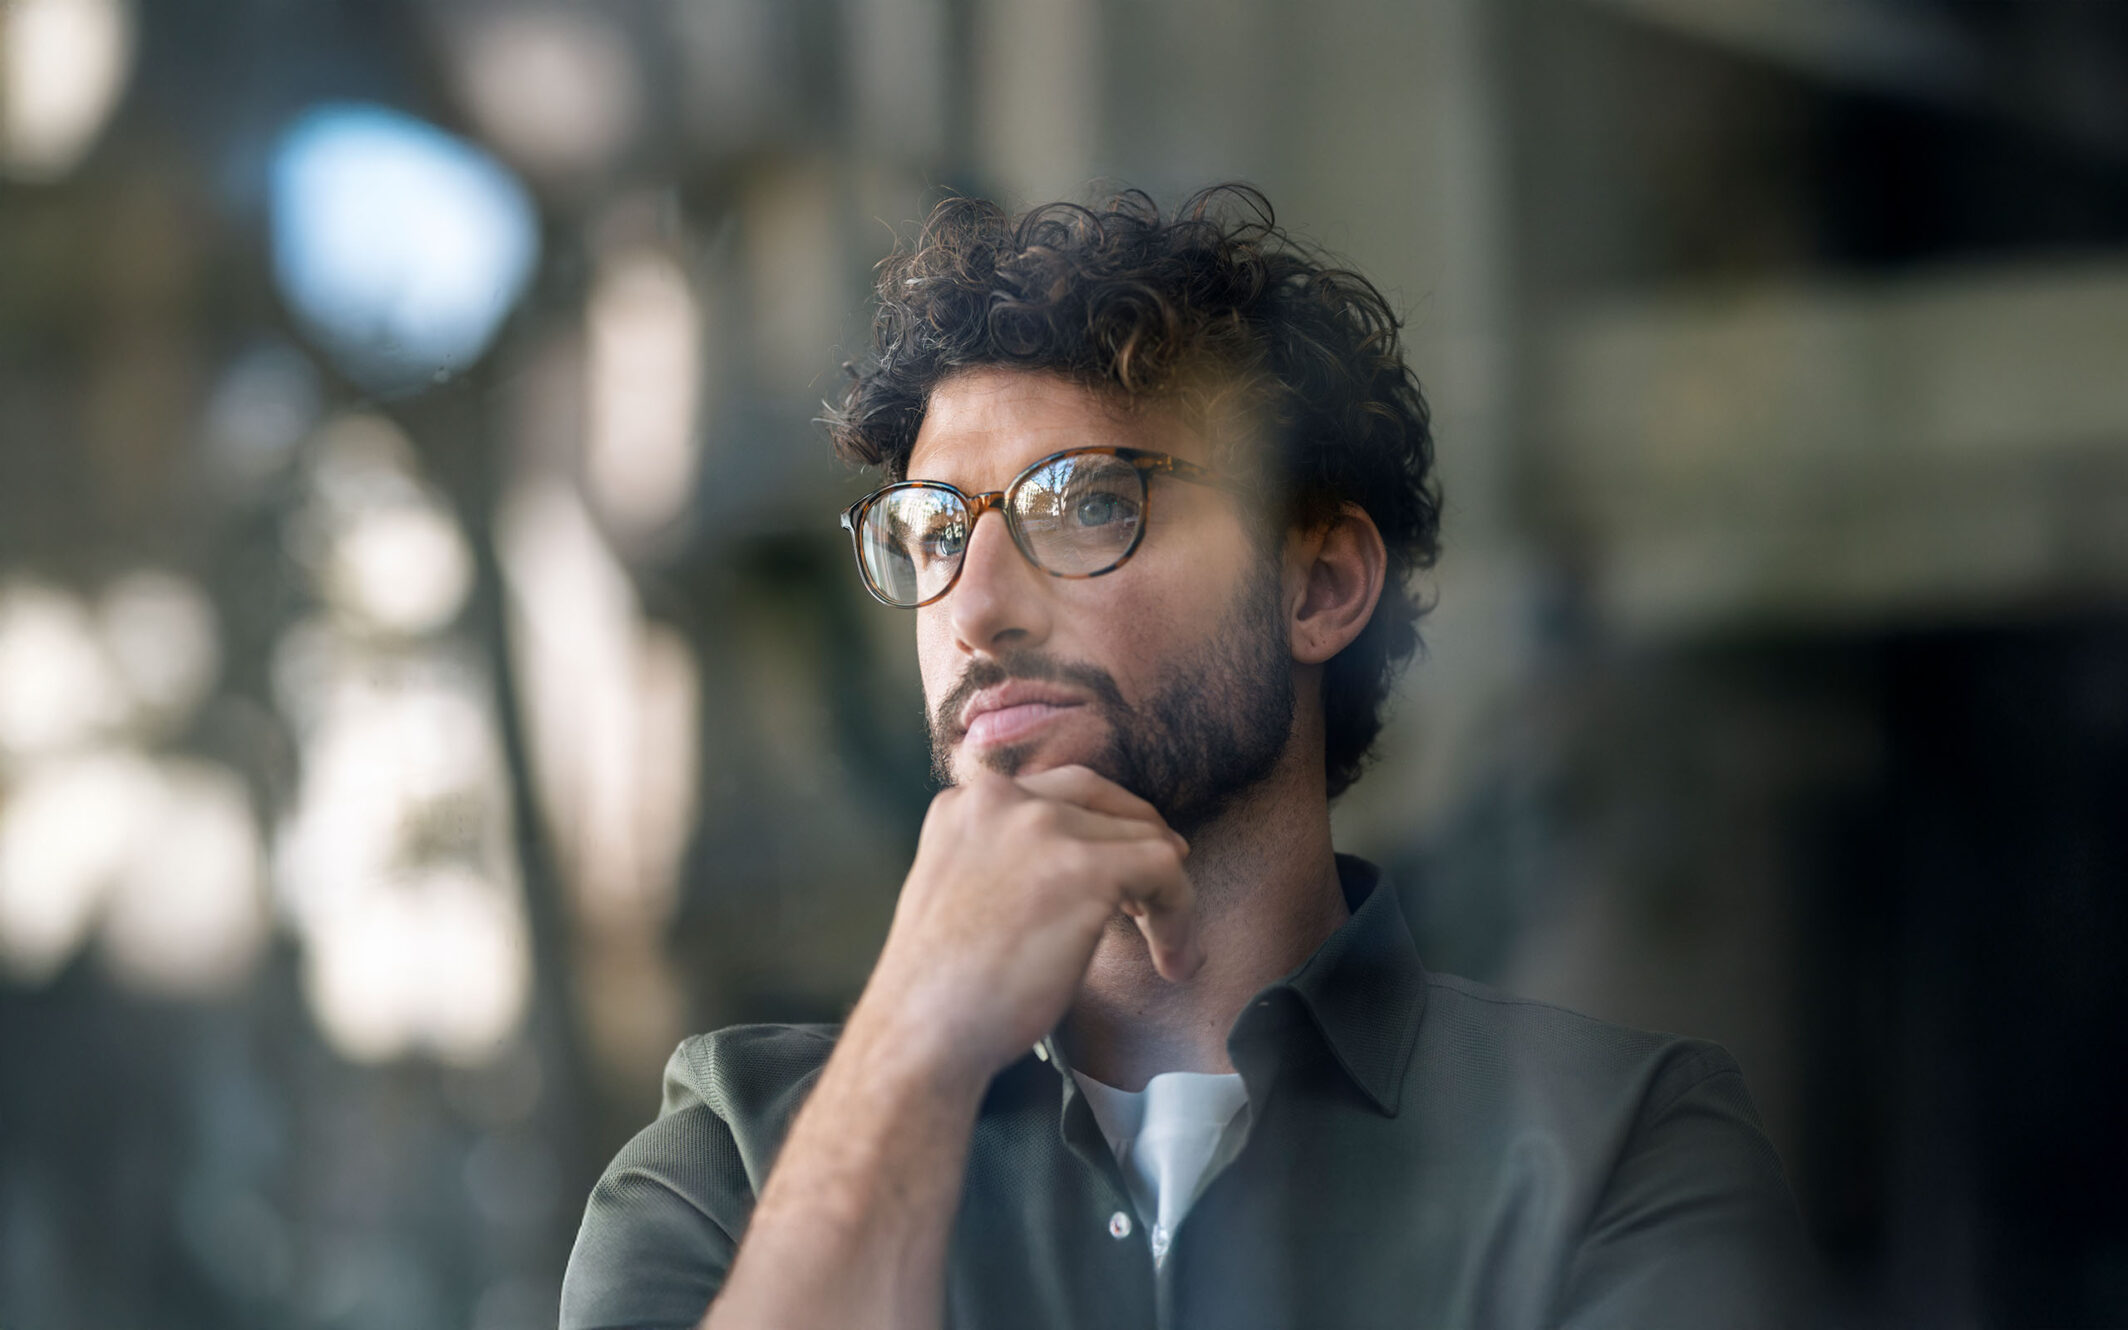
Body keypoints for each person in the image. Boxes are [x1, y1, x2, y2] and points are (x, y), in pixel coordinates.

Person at [559, 185, 1821, 1330]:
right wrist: (913, 1040)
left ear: (1320, 583)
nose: (974, 604)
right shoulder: (729, 1160)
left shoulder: (1615, 1145)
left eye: (1086, 502)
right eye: (930, 529)